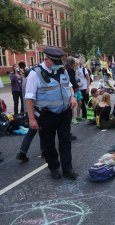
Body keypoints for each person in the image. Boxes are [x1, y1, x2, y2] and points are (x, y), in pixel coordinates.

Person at [25, 47, 78, 180]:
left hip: (64, 113)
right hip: (46, 115)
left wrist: (72, 97)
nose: (57, 65)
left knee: (65, 141)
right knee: (48, 144)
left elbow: (69, 87)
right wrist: (31, 119)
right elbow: (29, 98)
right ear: (46, 59)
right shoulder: (34, 74)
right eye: (54, 62)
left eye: (59, 62)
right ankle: (54, 167)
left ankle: (68, 169)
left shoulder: (62, 70)